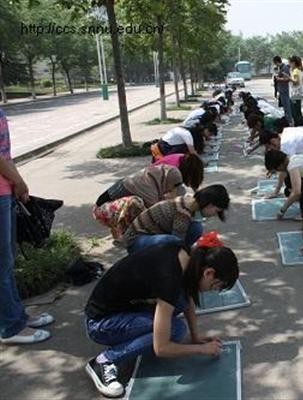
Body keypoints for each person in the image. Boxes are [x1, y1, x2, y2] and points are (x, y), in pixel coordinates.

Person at [84, 240, 239, 397]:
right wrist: (202, 349)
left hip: (121, 308)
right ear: (208, 273)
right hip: (101, 323)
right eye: (215, 286)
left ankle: (139, 338)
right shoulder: (170, 278)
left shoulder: (186, 255)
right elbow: (161, 349)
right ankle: (104, 361)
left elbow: (187, 298)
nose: (212, 290)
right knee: (176, 330)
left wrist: (195, 337)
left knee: (180, 303)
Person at [0, 108, 54, 345]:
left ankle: (17, 317)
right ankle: (10, 327)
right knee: (1, 265)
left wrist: (17, 183)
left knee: (7, 262)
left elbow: (5, 153)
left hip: (5, 189)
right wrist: (18, 181)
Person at [123, 184, 230, 255]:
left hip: (152, 234)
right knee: (171, 242)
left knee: (196, 228)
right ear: (210, 205)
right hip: (135, 241)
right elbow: (177, 244)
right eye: (216, 211)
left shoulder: (189, 200)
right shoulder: (183, 213)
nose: (214, 215)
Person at [273, 56, 294, 126]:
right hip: (281, 89)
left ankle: (290, 120)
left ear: (276, 62)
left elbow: (288, 78)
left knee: (287, 105)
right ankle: (287, 119)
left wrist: (279, 79)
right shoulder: (280, 68)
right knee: (284, 106)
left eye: (275, 63)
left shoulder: (285, 68)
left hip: (284, 89)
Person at [288, 56, 303, 125]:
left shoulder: (295, 71)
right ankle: (300, 124)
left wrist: (288, 78)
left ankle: (298, 124)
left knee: (295, 112)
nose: (289, 65)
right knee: (298, 111)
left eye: (290, 63)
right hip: (298, 93)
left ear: (293, 63)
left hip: (295, 94)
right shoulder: (299, 70)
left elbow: (296, 82)